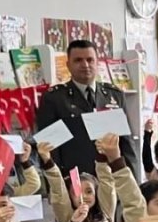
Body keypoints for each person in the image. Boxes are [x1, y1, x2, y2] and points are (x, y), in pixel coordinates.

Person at [34, 40, 137, 176]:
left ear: (97, 63)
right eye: (78, 60)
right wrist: (58, 187)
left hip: (113, 181)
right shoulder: (54, 98)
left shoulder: (114, 95)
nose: (85, 65)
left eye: (90, 60)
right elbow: (49, 149)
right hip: (75, 182)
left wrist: (133, 183)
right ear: (68, 65)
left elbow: (127, 145)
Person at [40, 138, 117, 222]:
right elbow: (58, 189)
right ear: (69, 197)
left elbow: (107, 182)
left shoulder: (106, 212)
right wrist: (47, 160)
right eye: (77, 193)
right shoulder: (67, 216)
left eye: (89, 191)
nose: (84, 196)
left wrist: (102, 154)